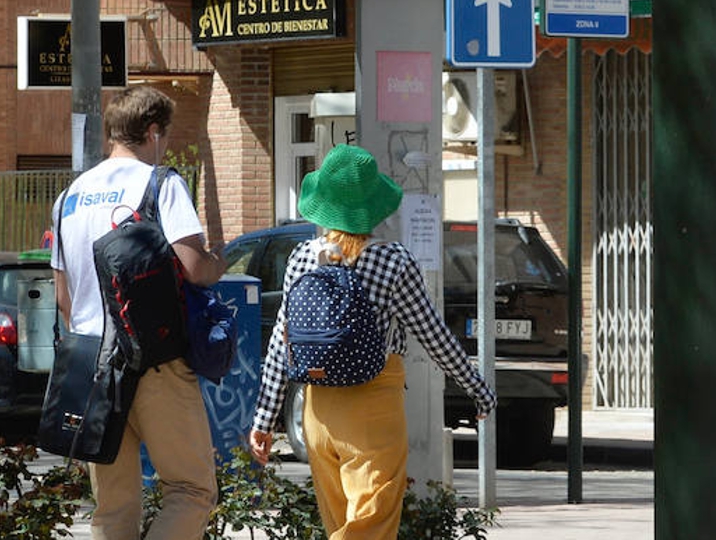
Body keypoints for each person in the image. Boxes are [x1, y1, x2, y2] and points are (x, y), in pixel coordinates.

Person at [247, 145, 497, 539]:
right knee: (372, 527)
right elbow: (433, 336)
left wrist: (264, 419)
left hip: (317, 409)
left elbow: (282, 344)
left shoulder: (300, 259)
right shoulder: (393, 262)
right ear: (374, 208)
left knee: (340, 525)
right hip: (373, 407)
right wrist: (478, 389)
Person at [50, 85, 226, 540]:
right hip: (156, 363)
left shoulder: (68, 196)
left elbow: (64, 298)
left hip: (92, 367)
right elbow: (194, 268)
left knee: (112, 509)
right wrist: (217, 262)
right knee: (191, 489)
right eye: (163, 136)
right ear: (152, 132)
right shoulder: (160, 183)